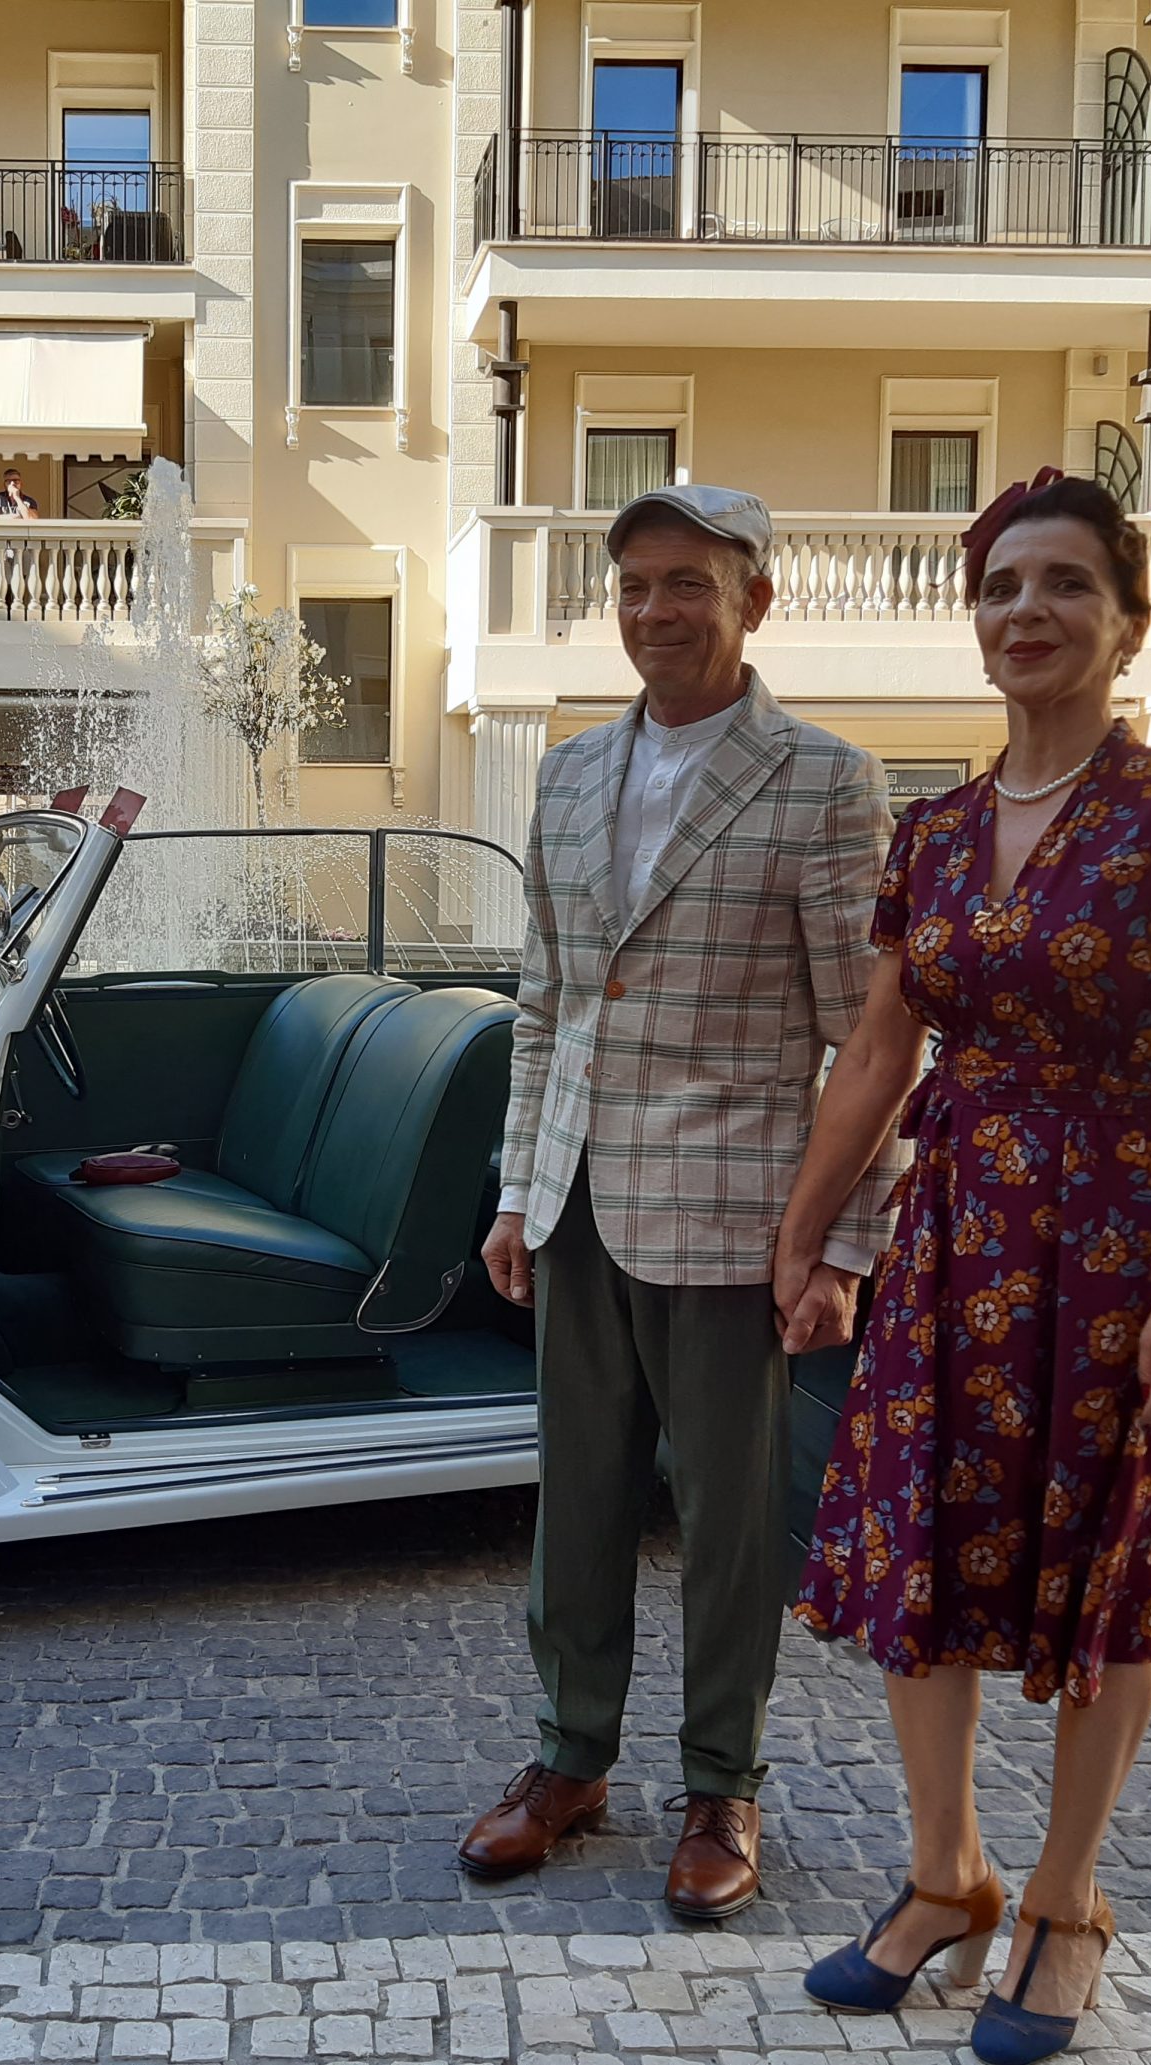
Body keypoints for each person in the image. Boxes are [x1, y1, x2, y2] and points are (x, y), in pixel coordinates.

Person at [786, 476, 1151, 2062]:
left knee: (1108, 1567)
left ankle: (1066, 1902)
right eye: (1003, 585)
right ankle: (949, 1875)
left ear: (1129, 622)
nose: (1029, 611)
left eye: (1068, 583)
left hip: (1131, 1242)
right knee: (918, 1549)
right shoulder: (930, 830)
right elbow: (880, 1052)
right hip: (952, 1239)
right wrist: (804, 1235)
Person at [457, 484, 900, 1919]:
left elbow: (869, 1041)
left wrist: (841, 1242)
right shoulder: (569, 774)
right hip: (577, 1202)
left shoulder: (825, 781)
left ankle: (723, 1782)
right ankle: (570, 1757)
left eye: (690, 584)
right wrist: (519, 1190)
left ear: (754, 599)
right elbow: (546, 1008)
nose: (657, 610)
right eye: (637, 584)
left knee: (727, 1522)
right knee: (577, 1502)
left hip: (734, 1217)